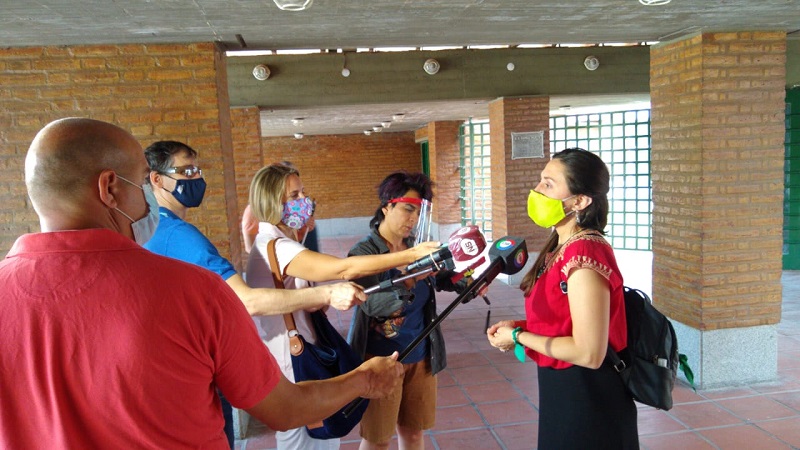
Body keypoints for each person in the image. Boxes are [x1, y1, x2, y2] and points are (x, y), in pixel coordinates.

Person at [0, 117, 404, 449]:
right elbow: (283, 408)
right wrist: (366, 379)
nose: (150, 197)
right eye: (144, 181)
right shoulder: (195, 290)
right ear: (109, 188)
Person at [143, 141, 367, 447]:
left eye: (198, 170)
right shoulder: (178, 236)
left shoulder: (151, 231)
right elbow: (249, 300)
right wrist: (327, 294)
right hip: (194, 370)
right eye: (187, 170)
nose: (197, 178)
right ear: (156, 179)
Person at [244, 163, 441, 450]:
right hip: (296, 364)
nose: (305, 202)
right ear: (272, 202)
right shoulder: (275, 245)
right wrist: (407, 258)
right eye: (295, 196)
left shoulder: (284, 242)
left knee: (322, 439)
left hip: (307, 357)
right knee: (304, 439)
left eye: (303, 193)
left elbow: (307, 300)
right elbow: (344, 268)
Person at [486, 148, 638, 449]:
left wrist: (519, 336)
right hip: (563, 390)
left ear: (580, 201)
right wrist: (521, 326)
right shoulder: (561, 244)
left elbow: (588, 352)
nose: (537, 191)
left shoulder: (585, 254)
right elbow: (566, 318)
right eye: (541, 181)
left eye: (549, 184)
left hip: (588, 397)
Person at [348, 171, 461, 450]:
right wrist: (410, 279)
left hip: (421, 355)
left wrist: (465, 279)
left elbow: (439, 276)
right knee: (377, 439)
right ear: (387, 206)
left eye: (419, 212)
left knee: (413, 433)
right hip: (380, 358)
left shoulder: (416, 246)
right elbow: (372, 304)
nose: (413, 219)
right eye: (408, 209)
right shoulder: (363, 253)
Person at [242, 161, 319, 255]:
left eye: (303, 191)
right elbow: (250, 247)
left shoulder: (286, 226)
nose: (303, 199)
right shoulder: (275, 244)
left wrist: (304, 226)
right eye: (294, 195)